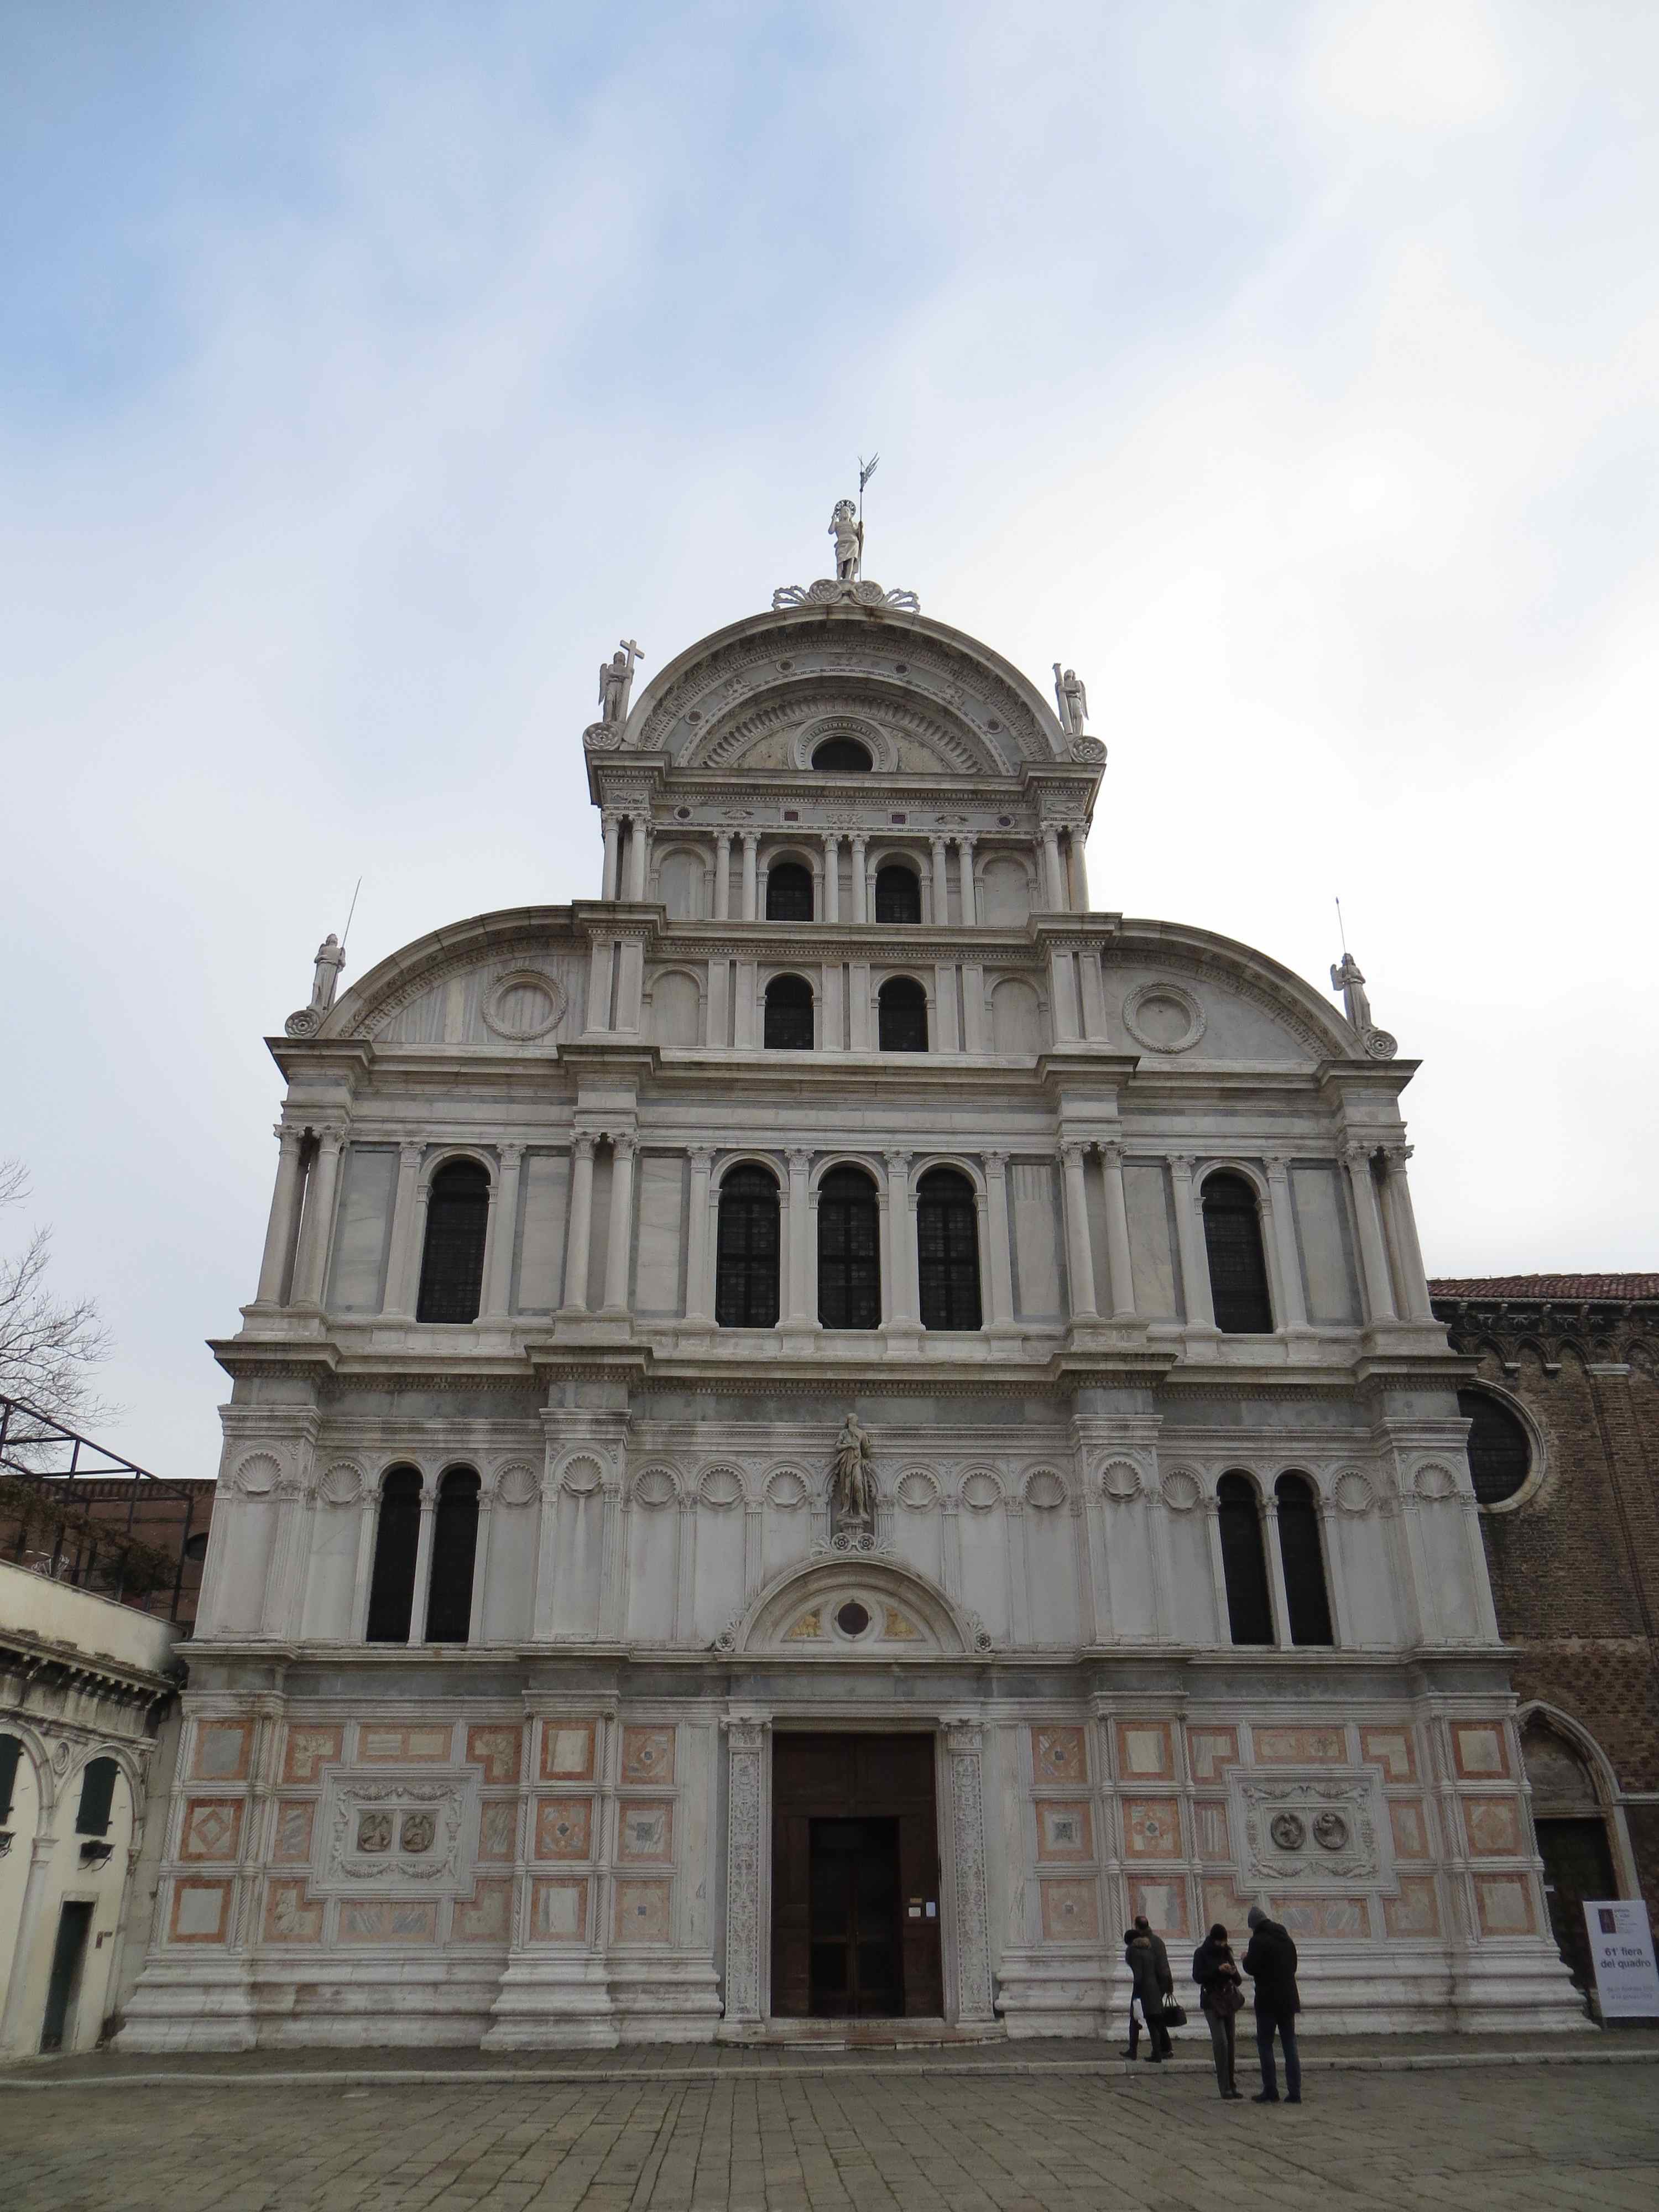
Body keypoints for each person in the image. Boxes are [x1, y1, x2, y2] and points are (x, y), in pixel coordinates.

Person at [1241, 1903, 1302, 2103]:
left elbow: (1252, 1967)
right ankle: (1295, 2092)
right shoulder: (1285, 1938)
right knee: (1290, 2045)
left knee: (1265, 2045)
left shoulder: (1257, 1941)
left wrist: (1245, 1959)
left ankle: (1271, 2090)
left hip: (1267, 2001)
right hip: (1288, 1999)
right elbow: (1293, 1965)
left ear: (1254, 1925)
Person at [1192, 1923, 1244, 2100]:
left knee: (1231, 2043)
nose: (1223, 1944)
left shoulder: (1226, 1953)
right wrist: (1217, 1970)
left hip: (1228, 2000)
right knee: (1221, 2042)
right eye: (1221, 1941)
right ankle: (1224, 2087)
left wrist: (1232, 1972)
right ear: (1214, 1940)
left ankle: (1232, 2084)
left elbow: (1238, 1981)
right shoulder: (1201, 1953)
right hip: (1212, 2002)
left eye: (1225, 1941)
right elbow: (1198, 1977)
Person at [1126, 1919, 1171, 2060]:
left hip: (1147, 1988)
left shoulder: (1138, 1949)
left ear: (1137, 1927)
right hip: (1158, 1985)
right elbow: (1165, 1966)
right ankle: (1164, 2048)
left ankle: (1138, 2050)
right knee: (1156, 2018)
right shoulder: (1156, 1942)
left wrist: (1137, 1993)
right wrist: (1169, 1986)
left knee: (1144, 2018)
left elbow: (1139, 1975)